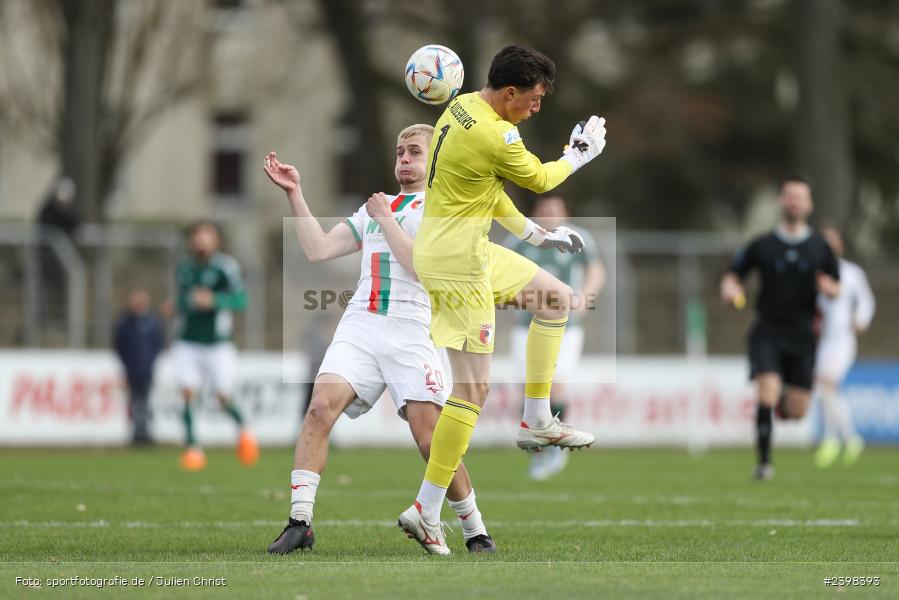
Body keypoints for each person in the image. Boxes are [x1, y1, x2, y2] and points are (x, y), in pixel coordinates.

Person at [397, 44, 607, 553]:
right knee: (472, 390)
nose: (537, 108)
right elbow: (539, 178)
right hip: (458, 264)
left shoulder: (461, 106)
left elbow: (489, 194)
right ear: (510, 93)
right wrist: (578, 155)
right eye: (534, 99)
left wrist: (539, 236)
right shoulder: (496, 134)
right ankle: (426, 508)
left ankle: (537, 418)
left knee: (555, 299)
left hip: (466, 248)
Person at [262, 124, 496, 555]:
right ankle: (300, 522)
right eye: (400, 152)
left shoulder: (445, 208)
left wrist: (385, 219)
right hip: (361, 325)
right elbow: (318, 248)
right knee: (318, 409)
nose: (404, 159)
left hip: (413, 327)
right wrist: (295, 194)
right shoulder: (376, 206)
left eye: (415, 152)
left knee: (430, 439)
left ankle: (475, 529)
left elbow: (422, 269)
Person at [720, 175, 840, 481]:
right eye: (789, 196)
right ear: (781, 201)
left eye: (800, 197)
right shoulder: (763, 245)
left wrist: (831, 289)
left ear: (809, 204)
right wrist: (730, 288)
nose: (794, 202)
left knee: (797, 412)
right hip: (768, 330)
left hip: (803, 333)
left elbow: (837, 285)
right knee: (766, 391)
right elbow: (733, 275)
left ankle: (778, 400)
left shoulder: (820, 247)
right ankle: (764, 464)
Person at [505, 194, 605, 480]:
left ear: (565, 212)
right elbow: (500, 270)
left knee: (556, 387)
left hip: (566, 328)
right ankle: (538, 452)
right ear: (536, 212)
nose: (549, 213)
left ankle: (555, 449)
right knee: (528, 390)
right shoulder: (519, 239)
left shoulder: (577, 238)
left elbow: (596, 270)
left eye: (555, 208)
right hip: (526, 327)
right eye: (544, 208)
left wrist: (585, 299)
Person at [171, 221, 257, 471]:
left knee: (223, 397)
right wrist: (176, 305)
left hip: (218, 344)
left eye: (206, 236)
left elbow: (241, 300)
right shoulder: (185, 268)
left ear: (215, 240)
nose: (201, 241)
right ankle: (193, 449)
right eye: (197, 236)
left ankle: (244, 430)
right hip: (188, 341)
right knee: (187, 392)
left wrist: (215, 300)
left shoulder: (225, 267)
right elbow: (183, 299)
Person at [812, 225, 875, 468]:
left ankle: (848, 439)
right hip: (824, 341)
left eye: (832, 240)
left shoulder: (851, 272)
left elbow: (866, 300)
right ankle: (836, 439)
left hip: (843, 340)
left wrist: (860, 320)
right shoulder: (816, 274)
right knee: (824, 390)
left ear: (840, 244)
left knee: (828, 384)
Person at [113, 290, 165, 445]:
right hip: (131, 370)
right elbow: (119, 346)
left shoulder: (152, 322)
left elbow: (158, 344)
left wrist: (151, 361)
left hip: (147, 369)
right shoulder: (125, 323)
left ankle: (146, 431)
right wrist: (126, 363)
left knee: (145, 401)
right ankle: (137, 432)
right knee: (135, 401)